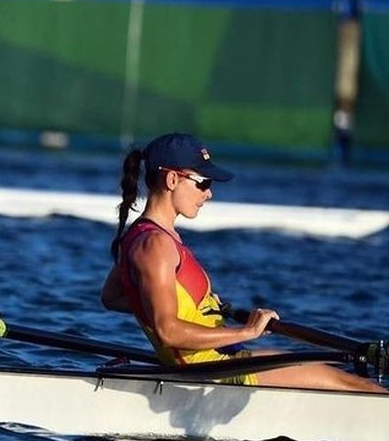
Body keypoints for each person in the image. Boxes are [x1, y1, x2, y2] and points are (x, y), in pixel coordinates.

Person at [100, 132, 384, 393]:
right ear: (172, 180)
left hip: (216, 362)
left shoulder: (139, 236)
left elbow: (112, 297)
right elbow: (168, 331)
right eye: (203, 183)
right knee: (352, 385)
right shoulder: (155, 246)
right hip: (211, 372)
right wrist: (248, 331)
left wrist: (196, 307)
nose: (209, 193)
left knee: (342, 379)